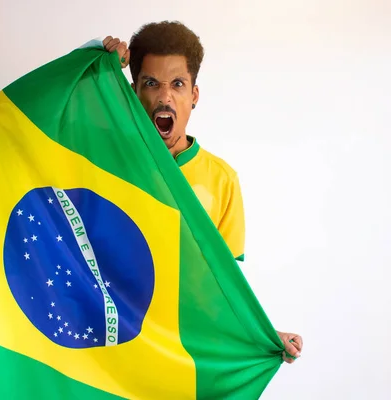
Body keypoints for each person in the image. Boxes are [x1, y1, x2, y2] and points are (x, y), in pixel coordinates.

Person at [102, 21, 303, 364]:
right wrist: (96, 68)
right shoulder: (104, 162)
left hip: (181, 353)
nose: (165, 96)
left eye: (177, 84)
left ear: (193, 96)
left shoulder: (221, 179)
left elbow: (224, 290)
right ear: (134, 92)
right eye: (151, 83)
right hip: (114, 350)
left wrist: (263, 336)